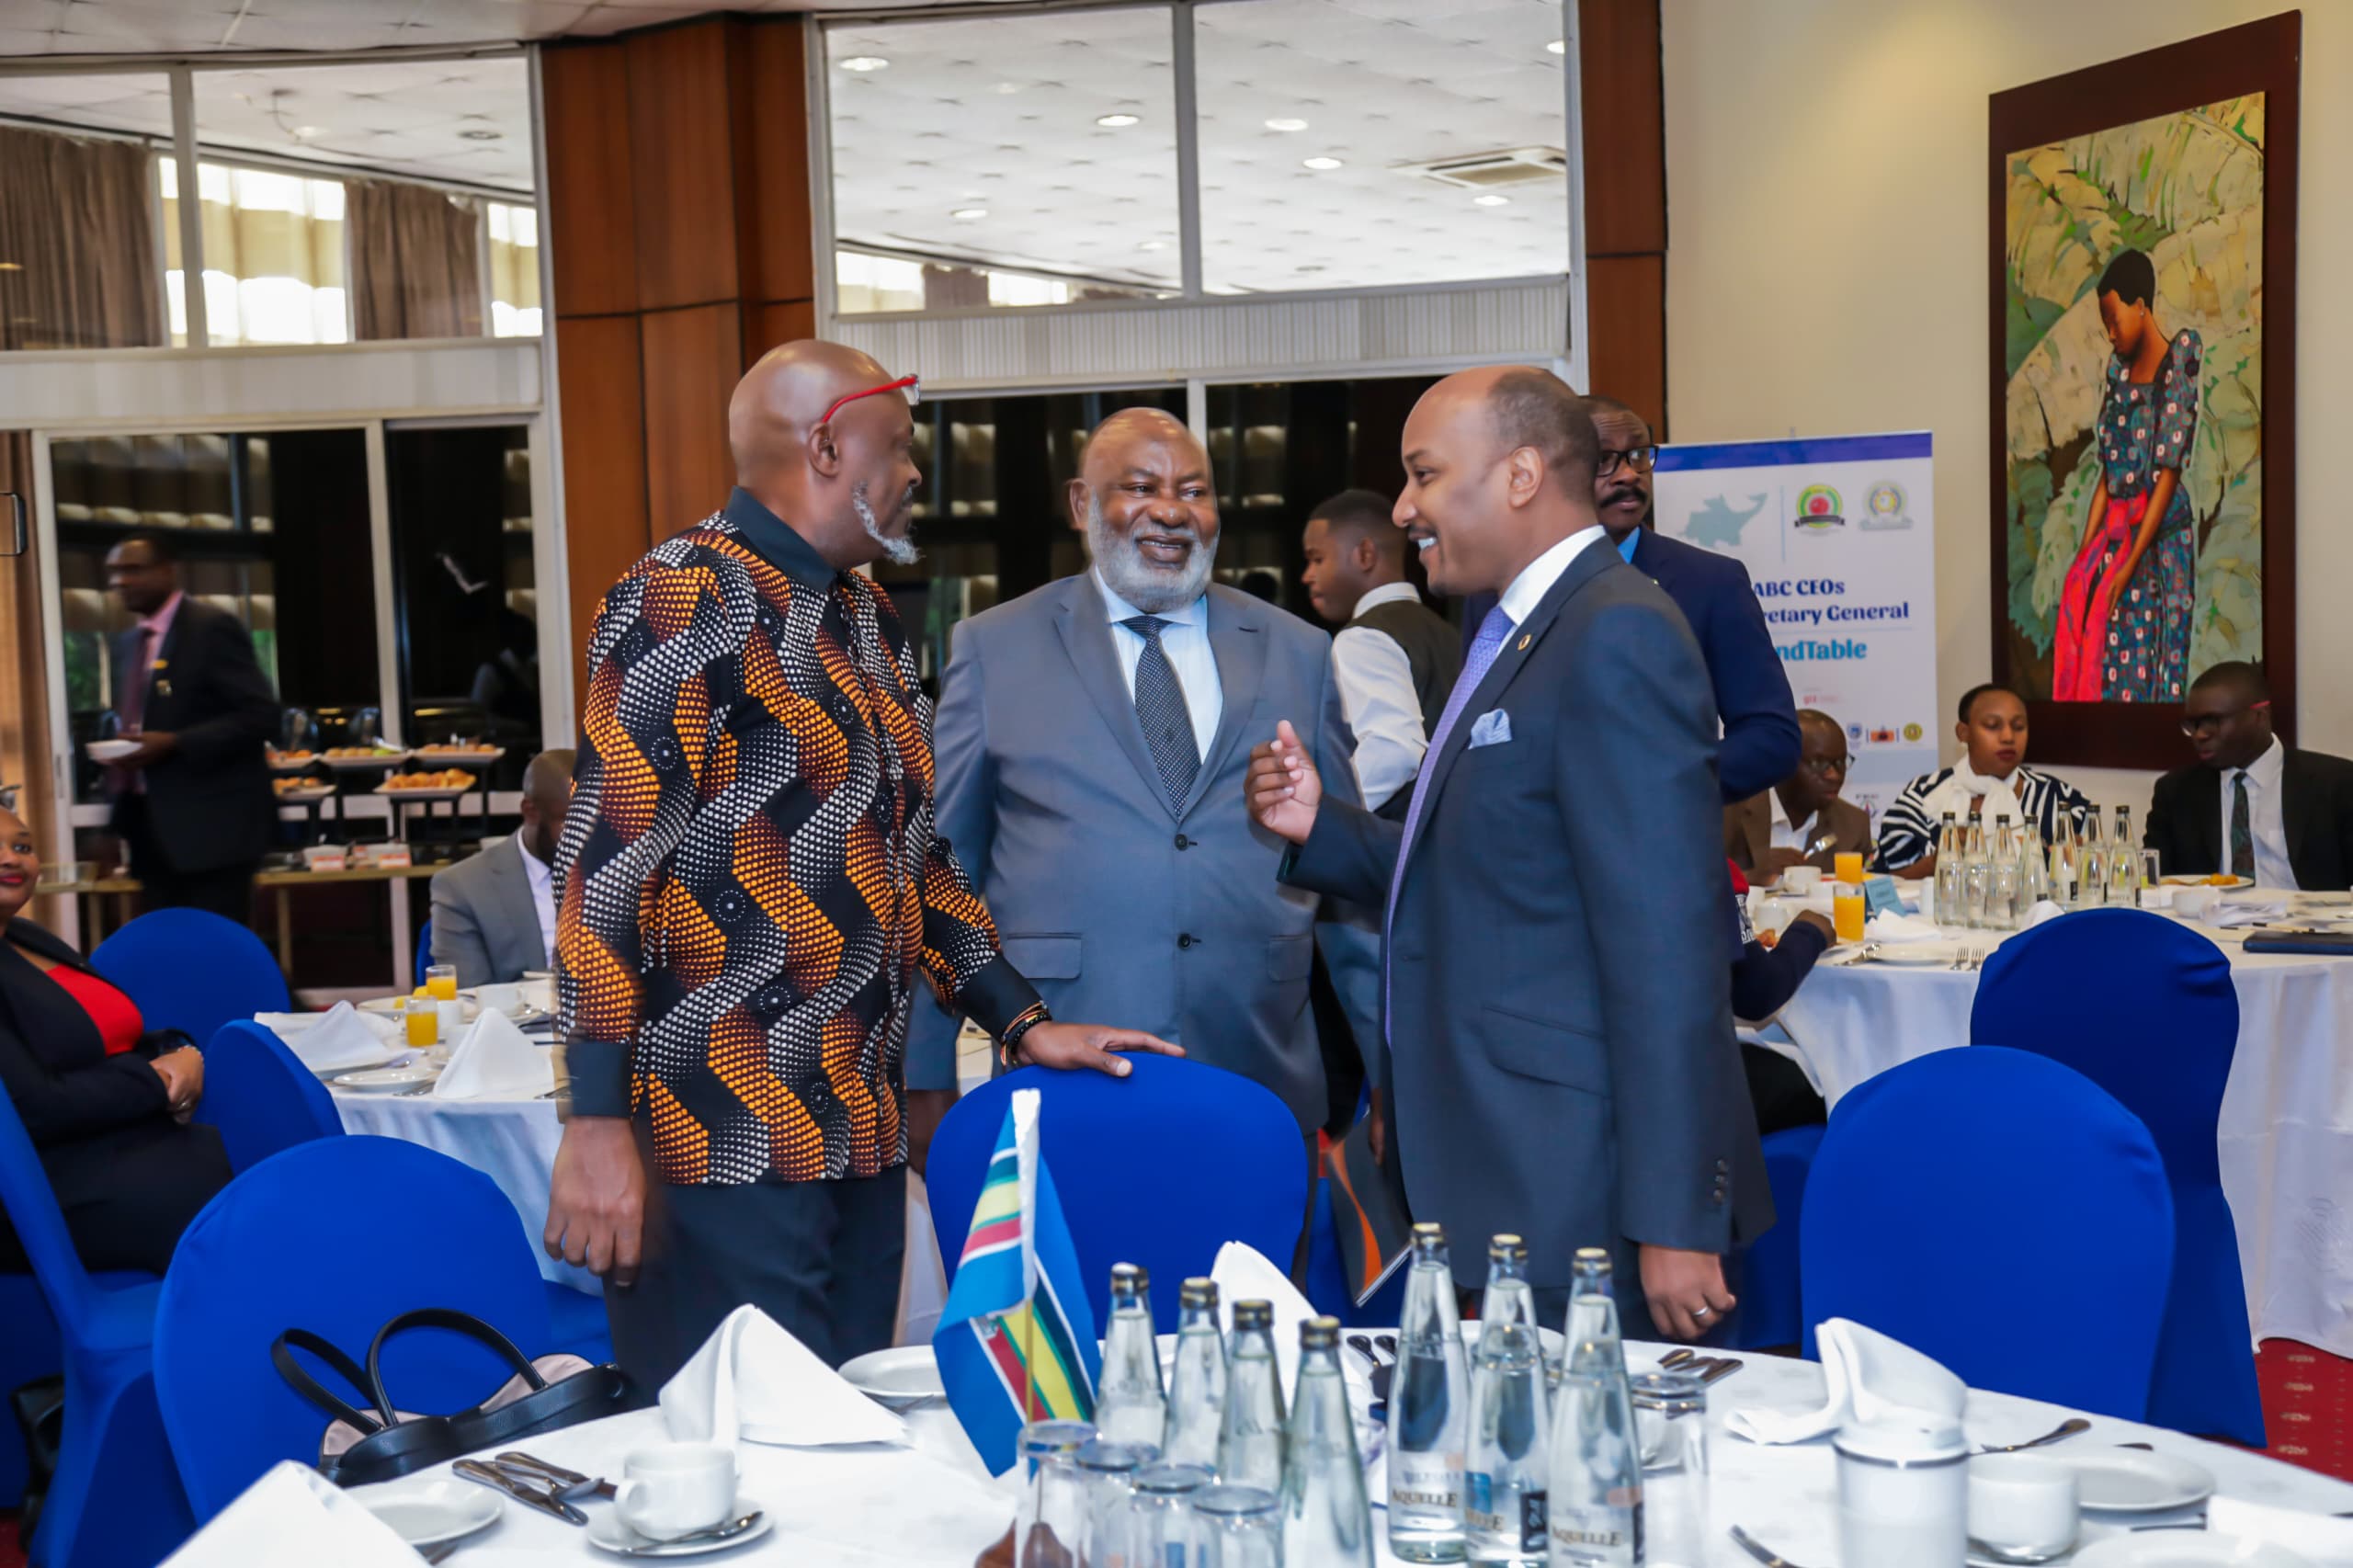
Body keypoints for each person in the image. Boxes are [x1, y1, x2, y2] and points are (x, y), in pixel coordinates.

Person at [543, 341, 1176, 1388]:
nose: (916, 472)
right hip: (721, 1137)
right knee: (749, 1456)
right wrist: (598, 1120)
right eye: (900, 447)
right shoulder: (682, 594)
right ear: (829, 448)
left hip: (858, 1132)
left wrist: (1021, 1019)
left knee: (850, 1442)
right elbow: (608, 863)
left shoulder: (864, 615)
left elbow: (912, 857)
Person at [1247, 365, 1766, 1341]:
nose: (1405, 508)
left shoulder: (1614, 631)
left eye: (1425, 474)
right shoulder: (1519, 631)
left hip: (1587, 1191)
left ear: (1522, 475)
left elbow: (1668, 945)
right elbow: (1491, 867)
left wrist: (1674, 1218)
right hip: (1513, 1168)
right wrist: (1324, 828)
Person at [905, 409, 1358, 1139]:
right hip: (1063, 1070)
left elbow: (1349, 877)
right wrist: (924, 1070)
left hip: (1258, 1068)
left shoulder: (1298, 650)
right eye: (1141, 487)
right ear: (1081, 503)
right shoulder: (994, 648)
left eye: (1195, 491)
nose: (1171, 511)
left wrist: (1390, 1074)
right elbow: (943, 868)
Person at [1456, 394, 1799, 801]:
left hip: (1659, 830)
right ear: (1550, 473)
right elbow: (1470, 736)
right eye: (1605, 459)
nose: (1628, 475)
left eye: (1638, 455)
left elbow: (1772, 737)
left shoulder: (1710, 582)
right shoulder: (1496, 594)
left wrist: (1658, 782)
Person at [0, 802, 231, 1274]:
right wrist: (156, 1080)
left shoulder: (26, 936)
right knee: (235, 1203)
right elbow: (36, 1107)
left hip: (114, 1136)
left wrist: (178, 1051)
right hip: (45, 1182)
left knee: (270, 1147)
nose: (10, 858)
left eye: (22, 846)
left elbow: (114, 1034)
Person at [103, 532, 278, 923]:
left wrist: (175, 742)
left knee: (217, 942)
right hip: (149, 830)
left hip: (214, 830)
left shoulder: (210, 628)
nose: (120, 581)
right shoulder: (128, 642)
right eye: (113, 572)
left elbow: (260, 715)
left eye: (133, 570)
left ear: (168, 571)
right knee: (169, 942)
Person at [2052, 249, 2200, 703]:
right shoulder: (2118, 371)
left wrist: (2131, 562)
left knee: (2158, 664)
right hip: (2116, 541)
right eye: (2105, 326)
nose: (2111, 334)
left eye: (2114, 321)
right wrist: (2084, 559)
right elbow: (2109, 472)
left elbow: (2168, 475)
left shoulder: (2179, 359)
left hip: (2161, 543)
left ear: (2141, 306)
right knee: (2112, 665)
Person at [1300, 488, 1461, 815]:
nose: (1307, 576)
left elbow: (1394, 750)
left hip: (1396, 837)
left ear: (1365, 555)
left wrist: (1323, 815)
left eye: (1317, 559)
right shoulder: (1448, 634)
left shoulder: (1363, 637)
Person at [2145, 662, 2353, 891]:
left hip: (2306, 912)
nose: (2200, 734)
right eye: (2192, 724)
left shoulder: (2336, 784)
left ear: (2259, 716)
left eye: (2213, 721)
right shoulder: (2176, 792)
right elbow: (2154, 885)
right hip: (2209, 914)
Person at [1874, 683, 2091, 877]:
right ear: (1963, 732)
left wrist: (2074, 861)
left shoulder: (2059, 799)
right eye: (1992, 725)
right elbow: (1887, 880)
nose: (2008, 737)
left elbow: (2089, 877)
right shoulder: (1922, 794)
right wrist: (1937, 862)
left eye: (2018, 727)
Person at [428, 748, 574, 987]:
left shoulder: (623, 873)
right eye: (574, 823)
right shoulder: (463, 887)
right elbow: (471, 998)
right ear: (531, 812)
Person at [1725, 710, 1873, 879]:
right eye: (1819, 763)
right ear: (1783, 762)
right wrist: (1748, 876)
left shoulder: (1853, 825)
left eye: (1840, 762)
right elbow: (1704, 882)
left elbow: (1857, 890)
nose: (1834, 775)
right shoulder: (1726, 813)